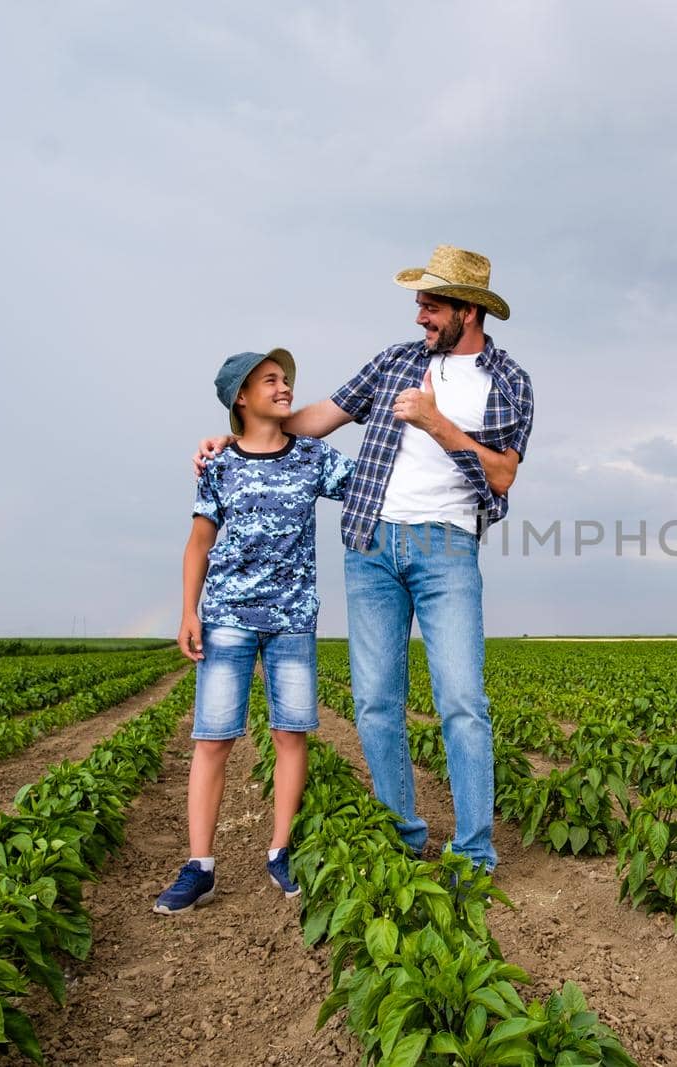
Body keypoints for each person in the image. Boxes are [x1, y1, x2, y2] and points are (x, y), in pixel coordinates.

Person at [196, 246, 533, 873]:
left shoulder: (507, 380)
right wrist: (240, 437)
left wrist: (436, 423)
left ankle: (474, 854)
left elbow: (504, 474)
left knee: (461, 699)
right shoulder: (393, 362)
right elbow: (315, 419)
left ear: (467, 309)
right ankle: (402, 836)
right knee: (376, 701)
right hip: (371, 545)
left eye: (431, 306)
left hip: (445, 546)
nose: (420, 318)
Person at [155, 349, 355, 914]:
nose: (285, 385)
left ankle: (280, 850)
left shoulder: (314, 457)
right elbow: (200, 541)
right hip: (226, 618)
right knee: (213, 738)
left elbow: (373, 487)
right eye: (271, 380)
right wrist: (189, 611)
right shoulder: (219, 465)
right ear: (241, 397)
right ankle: (200, 867)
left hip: (292, 619)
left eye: (286, 378)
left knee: (291, 734)